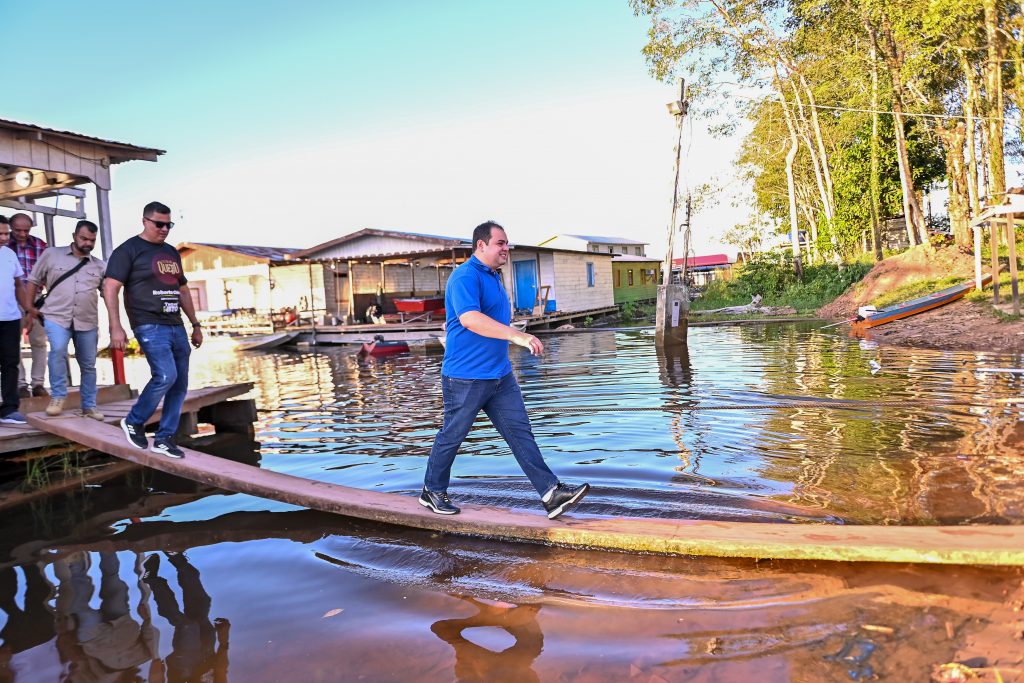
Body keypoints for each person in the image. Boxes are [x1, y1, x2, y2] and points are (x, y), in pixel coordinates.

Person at [421, 221, 589, 519]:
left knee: (520, 433)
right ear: (481, 245)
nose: (506, 248)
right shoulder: (464, 276)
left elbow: (478, 320)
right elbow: (471, 319)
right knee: (453, 435)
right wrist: (518, 335)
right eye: (500, 243)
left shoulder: (494, 278)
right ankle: (432, 491)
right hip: (466, 377)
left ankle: (551, 493)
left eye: (507, 243)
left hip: (499, 375)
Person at [103, 201, 203, 458]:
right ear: (145, 221)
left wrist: (196, 324)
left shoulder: (171, 252)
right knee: (165, 375)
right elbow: (111, 287)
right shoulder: (129, 250)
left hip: (176, 324)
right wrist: (116, 326)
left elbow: (182, 289)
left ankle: (164, 438)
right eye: (159, 224)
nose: (164, 229)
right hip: (148, 323)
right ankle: (134, 420)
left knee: (180, 382)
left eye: (168, 225)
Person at [26, 220, 107, 419]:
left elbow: (109, 293)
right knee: (58, 351)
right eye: (84, 238)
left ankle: (89, 405)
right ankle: (58, 396)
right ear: (74, 236)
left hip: (87, 320)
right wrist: (29, 308)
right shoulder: (52, 254)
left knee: (88, 364)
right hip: (56, 316)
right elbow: (33, 280)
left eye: (92, 240)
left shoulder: (99, 265)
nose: (88, 243)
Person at [8, 213, 48, 397]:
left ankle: (38, 384)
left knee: (39, 341)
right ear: (10, 227)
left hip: (36, 298)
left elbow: (50, 272)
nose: (22, 234)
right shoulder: (4, 245)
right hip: (10, 297)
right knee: (11, 343)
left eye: (26, 230)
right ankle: (20, 384)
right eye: (18, 230)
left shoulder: (40, 245)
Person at [0, 217, 31, 424]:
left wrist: (28, 309)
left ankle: (9, 409)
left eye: (5, 233)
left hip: (10, 318)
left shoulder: (9, 254)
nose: (4, 238)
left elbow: (19, 285)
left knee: (11, 363)